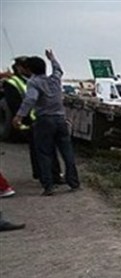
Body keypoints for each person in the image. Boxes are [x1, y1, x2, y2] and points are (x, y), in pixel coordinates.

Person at [12, 50, 80, 196]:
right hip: (60, 120)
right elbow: (58, 70)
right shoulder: (55, 80)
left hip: (44, 121)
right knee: (67, 153)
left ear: (29, 69)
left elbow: (30, 99)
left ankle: (48, 186)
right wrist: (52, 59)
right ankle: (74, 182)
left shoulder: (33, 82)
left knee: (44, 153)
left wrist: (19, 116)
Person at [1, 57, 62, 183]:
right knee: (39, 151)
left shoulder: (33, 80)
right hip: (31, 122)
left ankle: (54, 175)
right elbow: (16, 104)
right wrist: (23, 120)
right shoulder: (12, 83)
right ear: (20, 68)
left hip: (42, 119)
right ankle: (44, 176)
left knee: (48, 149)